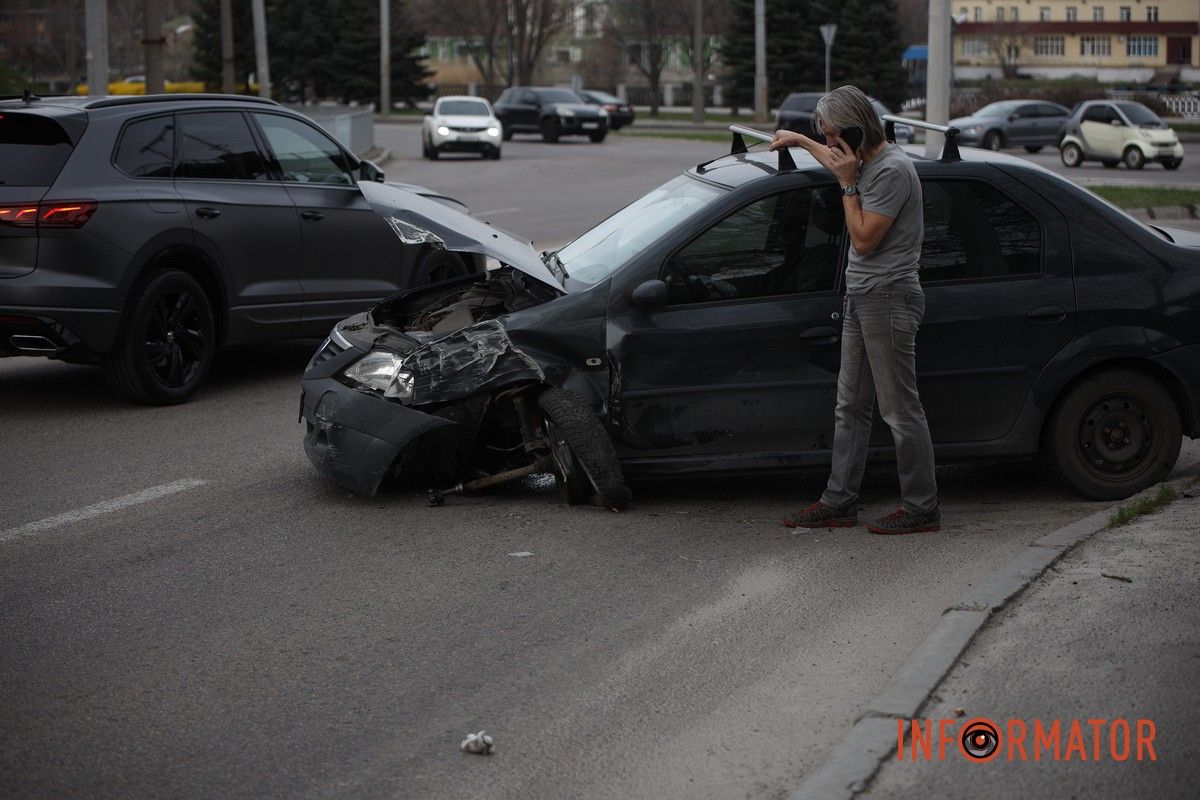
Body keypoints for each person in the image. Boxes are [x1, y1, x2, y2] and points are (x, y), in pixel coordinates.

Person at [770, 85, 939, 535]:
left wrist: (846, 184)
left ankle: (922, 507)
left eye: (830, 135)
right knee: (850, 407)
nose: (829, 145)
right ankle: (839, 502)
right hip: (862, 297)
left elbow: (864, 238)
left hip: (888, 298)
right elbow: (839, 164)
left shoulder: (892, 171)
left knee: (900, 410)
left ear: (853, 130)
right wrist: (802, 141)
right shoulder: (864, 162)